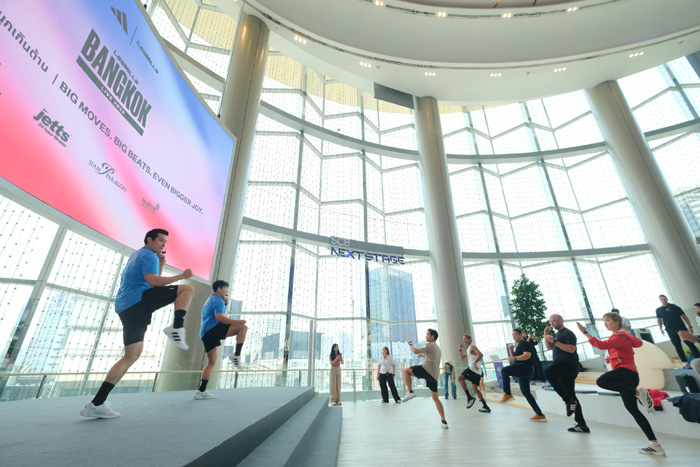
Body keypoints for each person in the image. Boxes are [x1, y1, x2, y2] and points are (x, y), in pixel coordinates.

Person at [80, 228, 194, 419]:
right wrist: (181, 276)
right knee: (187, 289)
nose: (163, 244)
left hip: (127, 307)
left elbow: (152, 280)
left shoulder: (139, 255)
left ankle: (97, 403)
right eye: (160, 240)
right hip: (137, 300)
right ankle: (177, 326)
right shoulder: (148, 255)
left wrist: (162, 262)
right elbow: (155, 282)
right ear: (149, 239)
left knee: (131, 355)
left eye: (165, 242)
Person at [576, 312, 665, 456]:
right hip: (629, 375)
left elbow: (600, 345)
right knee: (633, 410)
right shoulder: (623, 336)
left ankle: (639, 392)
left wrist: (585, 332)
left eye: (608, 321)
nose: (605, 323)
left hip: (625, 373)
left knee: (601, 381)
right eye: (604, 321)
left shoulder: (619, 336)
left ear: (617, 322)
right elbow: (636, 344)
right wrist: (612, 358)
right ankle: (655, 444)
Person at [194, 280, 248, 400]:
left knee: (211, 362)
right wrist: (238, 322)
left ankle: (201, 391)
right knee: (243, 327)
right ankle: (236, 355)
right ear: (219, 289)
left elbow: (216, 315)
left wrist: (225, 304)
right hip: (213, 330)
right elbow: (219, 318)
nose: (226, 291)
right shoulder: (217, 299)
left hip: (205, 333)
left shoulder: (212, 299)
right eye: (225, 289)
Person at [543, 314, 589, 433]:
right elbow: (549, 348)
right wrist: (546, 336)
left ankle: (567, 400)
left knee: (548, 372)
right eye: (551, 322)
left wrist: (555, 341)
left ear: (561, 320)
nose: (552, 324)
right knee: (572, 395)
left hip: (568, 365)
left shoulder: (568, 333)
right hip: (562, 365)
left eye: (554, 321)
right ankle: (582, 425)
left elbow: (571, 349)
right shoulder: (556, 334)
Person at [401, 329, 448, 429]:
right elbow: (431, 358)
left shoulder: (430, 344)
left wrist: (410, 344)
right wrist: (423, 355)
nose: (426, 336)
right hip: (434, 376)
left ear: (433, 336)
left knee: (406, 371)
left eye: (427, 334)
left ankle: (410, 392)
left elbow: (415, 351)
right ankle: (444, 421)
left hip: (427, 369)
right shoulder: (437, 348)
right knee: (436, 399)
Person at [500, 329, 546, 422]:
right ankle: (539, 414)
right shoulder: (519, 345)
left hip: (526, 368)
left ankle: (507, 393)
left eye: (515, 334)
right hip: (523, 370)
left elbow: (527, 355)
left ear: (521, 334)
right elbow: (513, 359)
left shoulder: (524, 343)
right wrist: (510, 350)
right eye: (512, 335)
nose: (514, 337)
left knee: (504, 370)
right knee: (526, 392)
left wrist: (514, 358)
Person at [656, 294, 700, 364]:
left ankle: (698, 358)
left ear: (667, 299)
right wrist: (661, 329)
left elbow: (684, 316)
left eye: (664, 299)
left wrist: (690, 326)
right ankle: (685, 362)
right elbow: (659, 320)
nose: (663, 300)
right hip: (670, 330)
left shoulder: (675, 307)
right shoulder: (658, 310)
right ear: (660, 300)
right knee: (677, 346)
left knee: (690, 343)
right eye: (662, 299)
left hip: (681, 328)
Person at [458, 333, 490, 413]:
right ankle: (486, 406)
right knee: (475, 389)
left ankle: (469, 397)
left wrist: (475, 362)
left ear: (470, 339)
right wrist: (460, 350)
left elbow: (481, 354)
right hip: (477, 371)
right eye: (463, 339)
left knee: (460, 378)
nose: (464, 340)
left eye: (465, 339)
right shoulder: (469, 349)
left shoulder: (473, 347)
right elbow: (462, 358)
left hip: (473, 369)